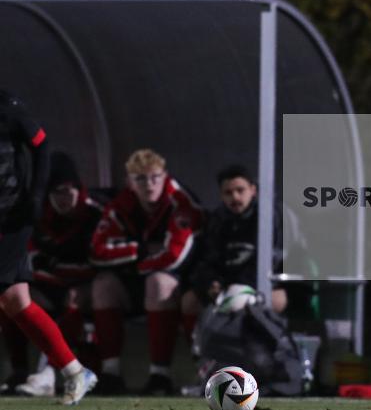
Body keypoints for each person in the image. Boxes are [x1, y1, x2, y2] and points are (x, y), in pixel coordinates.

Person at [0, 89, 96, 405]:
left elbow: (41, 146)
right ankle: (74, 371)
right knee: (15, 300)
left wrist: (36, 196)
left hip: (12, 215)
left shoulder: (8, 108)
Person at [90, 149, 204, 395]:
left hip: (180, 284)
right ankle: (110, 373)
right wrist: (139, 250)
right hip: (136, 280)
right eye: (140, 178)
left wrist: (133, 263)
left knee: (159, 283)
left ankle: (159, 375)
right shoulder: (121, 204)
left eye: (154, 177)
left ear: (164, 176)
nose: (149, 184)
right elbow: (97, 251)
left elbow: (174, 256)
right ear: (129, 182)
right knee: (103, 285)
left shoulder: (181, 202)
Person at [12, 152, 105, 396]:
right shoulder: (38, 214)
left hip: (86, 285)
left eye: (68, 190)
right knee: (10, 297)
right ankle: (20, 372)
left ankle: (52, 372)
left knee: (72, 299)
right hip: (50, 284)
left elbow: (100, 261)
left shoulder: (96, 214)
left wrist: (53, 267)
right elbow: (32, 258)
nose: (64, 198)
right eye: (56, 192)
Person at [187, 164, 287, 315]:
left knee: (273, 300)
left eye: (240, 190)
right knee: (189, 302)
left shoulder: (272, 216)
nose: (235, 197)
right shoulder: (217, 220)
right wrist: (212, 283)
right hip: (226, 285)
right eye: (228, 192)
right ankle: (199, 338)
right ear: (221, 195)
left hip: (266, 285)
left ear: (253, 190)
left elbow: (275, 260)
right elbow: (208, 259)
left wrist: (241, 288)